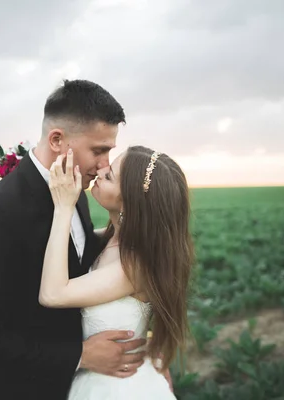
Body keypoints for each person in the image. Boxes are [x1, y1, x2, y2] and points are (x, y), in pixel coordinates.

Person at [0, 79, 149, 399]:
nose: (103, 165)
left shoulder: (77, 193)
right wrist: (80, 355)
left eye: (109, 151)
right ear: (57, 139)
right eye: (98, 151)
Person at [39, 145, 194, 399]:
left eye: (109, 175)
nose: (101, 169)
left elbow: (52, 294)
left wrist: (63, 207)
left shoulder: (136, 264)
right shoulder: (113, 238)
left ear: (130, 204)